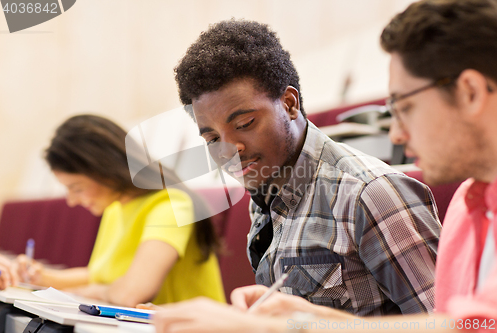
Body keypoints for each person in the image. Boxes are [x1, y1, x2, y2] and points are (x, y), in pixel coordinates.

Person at [152, 0, 497, 331]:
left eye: (243, 124)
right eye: (212, 139)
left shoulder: (369, 193)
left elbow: (457, 324)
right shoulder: (471, 205)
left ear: (289, 104)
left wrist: (296, 326)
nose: (229, 150)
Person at [14, 115, 225, 307]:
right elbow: (99, 275)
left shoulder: (171, 205)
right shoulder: (115, 208)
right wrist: (40, 276)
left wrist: (90, 292)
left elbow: (130, 294)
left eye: (76, 188)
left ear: (104, 170)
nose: (71, 201)